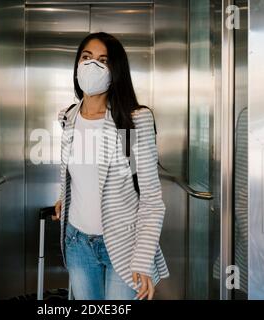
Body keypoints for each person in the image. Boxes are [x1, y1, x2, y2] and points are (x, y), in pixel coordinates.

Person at [53, 32, 169, 300]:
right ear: (77, 65)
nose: (92, 65)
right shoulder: (68, 117)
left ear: (115, 70)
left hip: (124, 244)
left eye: (103, 60)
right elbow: (76, 172)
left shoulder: (132, 121)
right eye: (86, 57)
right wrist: (64, 197)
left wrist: (142, 259)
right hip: (77, 242)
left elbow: (150, 198)